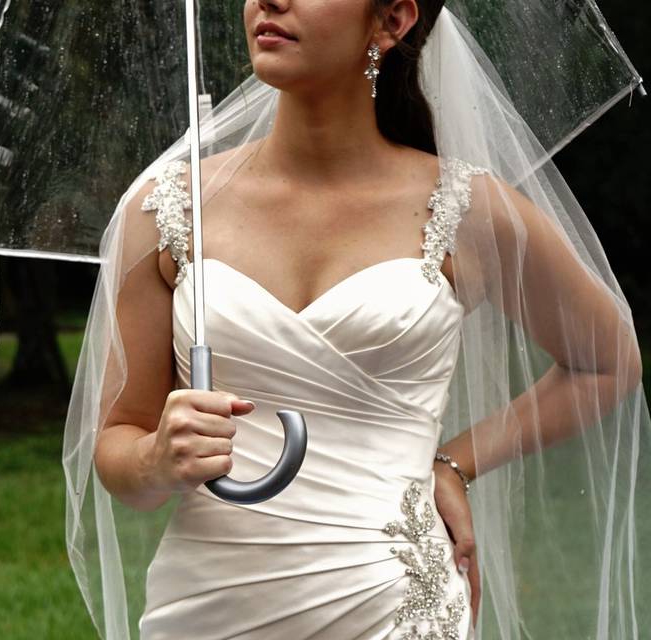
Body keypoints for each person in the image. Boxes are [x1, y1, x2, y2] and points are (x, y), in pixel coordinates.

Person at [63, 1, 647, 638]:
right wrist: (154, 460)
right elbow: (119, 439)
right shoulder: (169, 210)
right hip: (207, 606)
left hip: (395, 605)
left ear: (393, 20)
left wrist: (454, 463)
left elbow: (608, 360)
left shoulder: (468, 210)